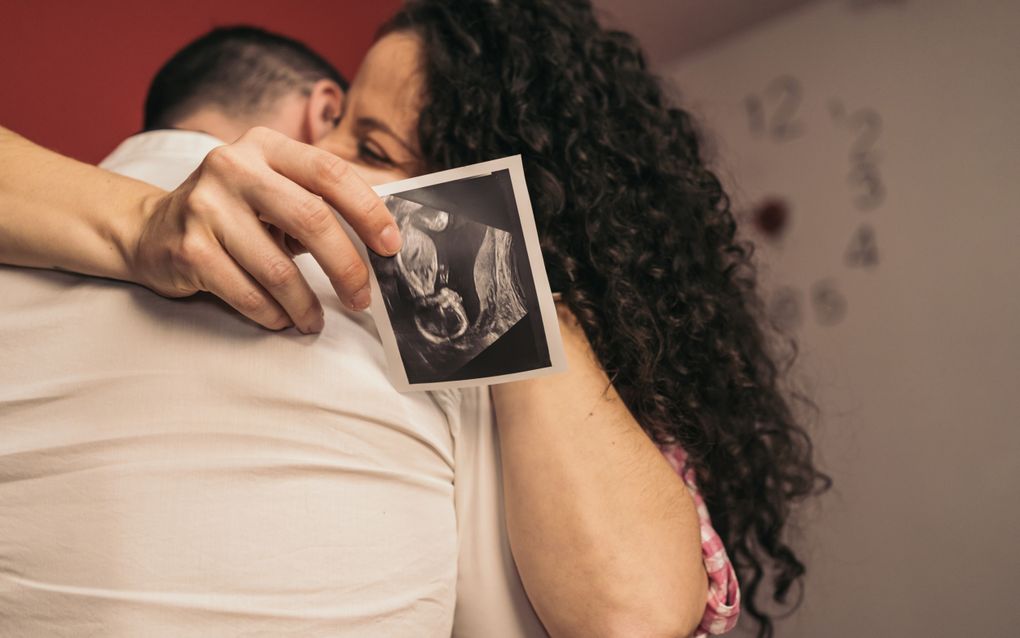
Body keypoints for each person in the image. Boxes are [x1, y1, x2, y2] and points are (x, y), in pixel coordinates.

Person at [0, 1, 831, 636]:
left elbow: (631, 610)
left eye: (375, 147)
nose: (332, 167)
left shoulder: (481, 317)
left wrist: (495, 263)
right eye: (340, 130)